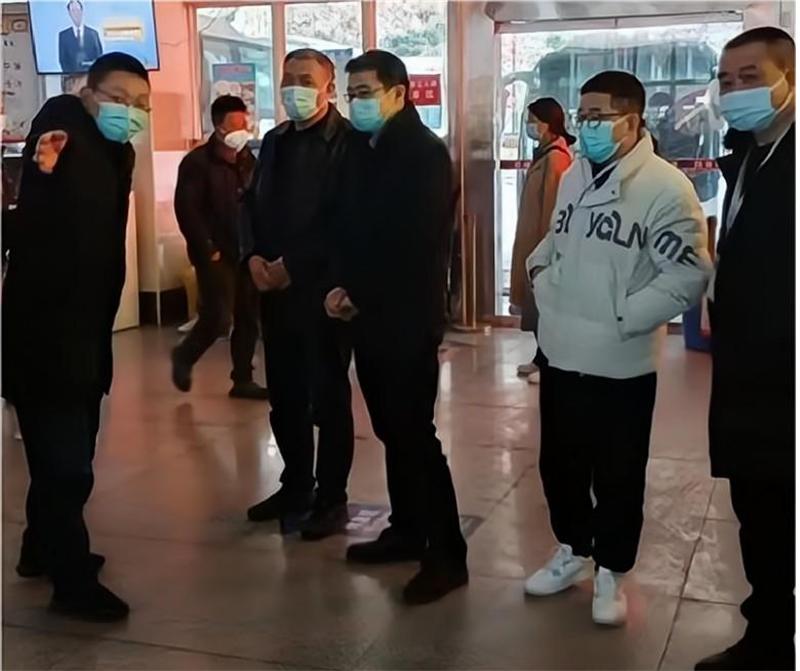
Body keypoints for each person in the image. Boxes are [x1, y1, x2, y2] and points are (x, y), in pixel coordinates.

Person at [523, 71, 711, 626]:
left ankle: (611, 569)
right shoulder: (575, 176)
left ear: (631, 121)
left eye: (598, 117)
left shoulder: (665, 187)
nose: (586, 127)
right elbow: (557, 239)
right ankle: (573, 550)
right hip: (561, 350)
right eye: (582, 116)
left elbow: (687, 274)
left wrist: (623, 316)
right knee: (559, 465)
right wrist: (540, 273)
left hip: (620, 362)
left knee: (618, 474)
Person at [1, 52, 151, 621]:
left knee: (69, 450)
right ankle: (71, 583)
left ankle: (39, 548)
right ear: (89, 95)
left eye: (140, 104)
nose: (129, 111)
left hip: (87, 332)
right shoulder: (63, 129)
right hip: (45, 337)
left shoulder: (118, 152)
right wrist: (43, 159)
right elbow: (50, 139)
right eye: (118, 99)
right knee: (67, 466)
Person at [325, 50, 467, 605]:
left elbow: (412, 242)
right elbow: (347, 224)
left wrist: (357, 293)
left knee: (414, 435)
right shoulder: (363, 147)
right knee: (391, 430)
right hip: (368, 315)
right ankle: (407, 529)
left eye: (365, 92)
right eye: (351, 93)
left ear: (398, 93)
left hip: (405, 317)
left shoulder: (423, 154)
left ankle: (447, 554)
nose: (355, 102)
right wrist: (340, 285)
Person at [696, 27, 796, 671]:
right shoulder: (750, 154)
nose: (735, 92)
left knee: (776, 508)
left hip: (784, 372)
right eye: (727, 81)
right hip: (749, 371)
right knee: (760, 511)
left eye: (751, 78)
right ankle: (769, 638)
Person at [243, 49, 355, 540]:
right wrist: (252, 256)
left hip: (322, 292)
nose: (294, 88)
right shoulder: (274, 141)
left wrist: (293, 266)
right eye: (288, 78)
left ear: (329, 88)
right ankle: (295, 485)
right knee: (284, 396)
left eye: (306, 80)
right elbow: (250, 203)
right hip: (273, 291)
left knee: (327, 399)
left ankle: (331, 498)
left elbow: (344, 221)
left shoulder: (348, 143)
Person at [171, 95, 268, 401]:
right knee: (218, 317)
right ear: (218, 126)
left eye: (244, 123)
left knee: (248, 316)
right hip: (215, 253)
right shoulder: (197, 163)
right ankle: (184, 355)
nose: (242, 130)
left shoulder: (247, 160)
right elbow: (187, 210)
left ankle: (243, 379)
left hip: (245, 250)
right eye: (235, 125)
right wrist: (206, 247)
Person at [509, 97, 574, 384]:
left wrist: (545, 251)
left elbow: (552, 209)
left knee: (544, 307)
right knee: (537, 307)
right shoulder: (545, 154)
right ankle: (541, 358)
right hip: (532, 239)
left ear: (546, 124)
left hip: (540, 244)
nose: (529, 126)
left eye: (532, 121)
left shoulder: (556, 159)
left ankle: (549, 361)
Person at [58, 0, 103, 74]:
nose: (76, 13)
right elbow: (63, 60)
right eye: (73, 11)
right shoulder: (63, 36)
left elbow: (99, 57)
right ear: (69, 14)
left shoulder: (93, 34)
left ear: (82, 11)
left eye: (78, 10)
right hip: (72, 77)